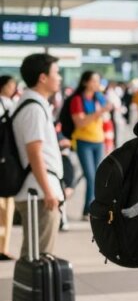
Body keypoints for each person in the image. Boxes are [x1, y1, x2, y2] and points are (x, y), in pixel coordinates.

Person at [12, 54, 65, 259]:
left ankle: (35, 291)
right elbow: (34, 152)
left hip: (38, 191)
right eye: (56, 73)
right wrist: (48, 190)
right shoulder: (33, 108)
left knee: (37, 255)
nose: (59, 78)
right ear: (43, 77)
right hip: (38, 193)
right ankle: (34, 292)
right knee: (37, 256)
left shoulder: (35, 104)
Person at [67, 71, 113, 219]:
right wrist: (99, 112)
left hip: (98, 141)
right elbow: (80, 122)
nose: (96, 84)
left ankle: (91, 209)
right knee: (90, 176)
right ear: (85, 82)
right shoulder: (77, 100)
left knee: (97, 176)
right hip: (83, 141)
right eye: (94, 81)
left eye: (98, 81)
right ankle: (88, 209)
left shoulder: (98, 98)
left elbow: (109, 108)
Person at [0, 75, 18, 261]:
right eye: (11, 84)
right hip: (6, 161)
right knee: (6, 205)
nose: (13, 87)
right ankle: (2, 247)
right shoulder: (9, 105)